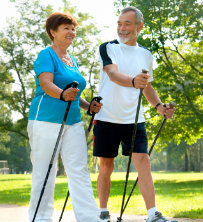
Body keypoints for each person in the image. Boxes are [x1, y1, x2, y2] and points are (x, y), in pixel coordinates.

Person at [93, 6, 177, 222]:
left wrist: (160, 107)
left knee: (144, 162)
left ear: (139, 26)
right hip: (107, 118)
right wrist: (132, 82)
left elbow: (147, 87)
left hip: (135, 120)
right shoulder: (107, 48)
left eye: (127, 23)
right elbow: (112, 74)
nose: (122, 28)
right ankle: (103, 213)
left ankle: (152, 214)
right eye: (119, 24)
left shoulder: (146, 54)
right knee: (106, 167)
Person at [27, 12, 108, 222]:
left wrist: (88, 106)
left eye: (73, 29)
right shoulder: (46, 55)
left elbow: (75, 94)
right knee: (45, 170)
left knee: (79, 170)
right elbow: (46, 84)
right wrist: (62, 94)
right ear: (53, 32)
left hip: (73, 122)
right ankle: (41, 218)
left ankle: (89, 217)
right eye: (66, 28)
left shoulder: (72, 59)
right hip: (45, 119)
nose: (72, 32)